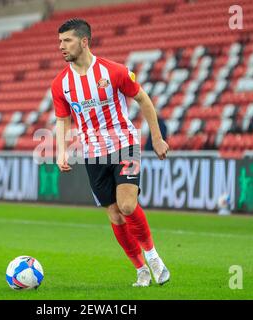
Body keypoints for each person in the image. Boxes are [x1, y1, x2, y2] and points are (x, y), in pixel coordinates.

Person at [51, 19, 170, 287]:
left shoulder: (113, 71)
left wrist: (158, 138)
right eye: (59, 41)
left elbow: (143, 99)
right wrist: (61, 151)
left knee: (127, 205)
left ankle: (153, 258)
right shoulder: (61, 84)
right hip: (92, 154)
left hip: (124, 144)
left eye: (67, 40)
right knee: (115, 215)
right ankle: (140, 269)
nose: (61, 46)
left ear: (84, 41)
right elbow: (62, 120)